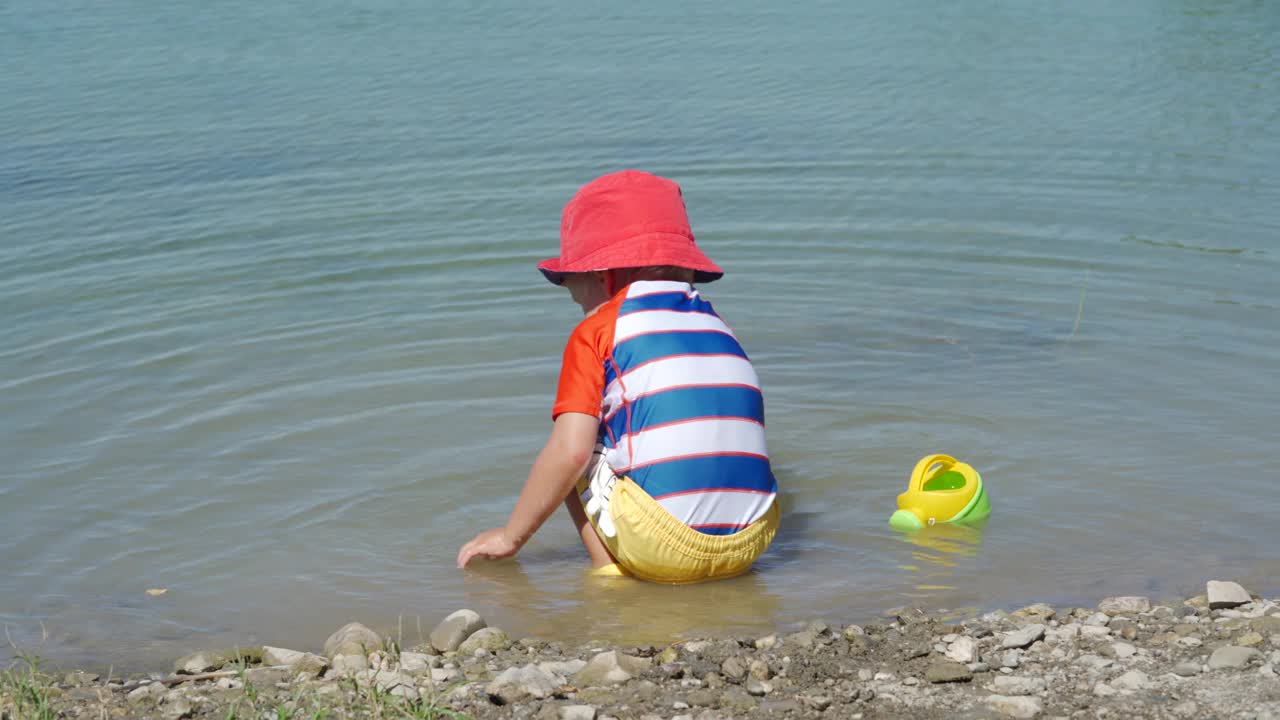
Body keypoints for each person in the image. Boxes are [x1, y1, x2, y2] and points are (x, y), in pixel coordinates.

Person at [456, 170, 779, 583]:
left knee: (576, 446)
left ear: (601, 276)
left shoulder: (597, 330)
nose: (576, 302)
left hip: (666, 548)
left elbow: (570, 454)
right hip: (755, 539)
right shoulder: (717, 325)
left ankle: (609, 575)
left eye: (570, 285)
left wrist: (511, 537)